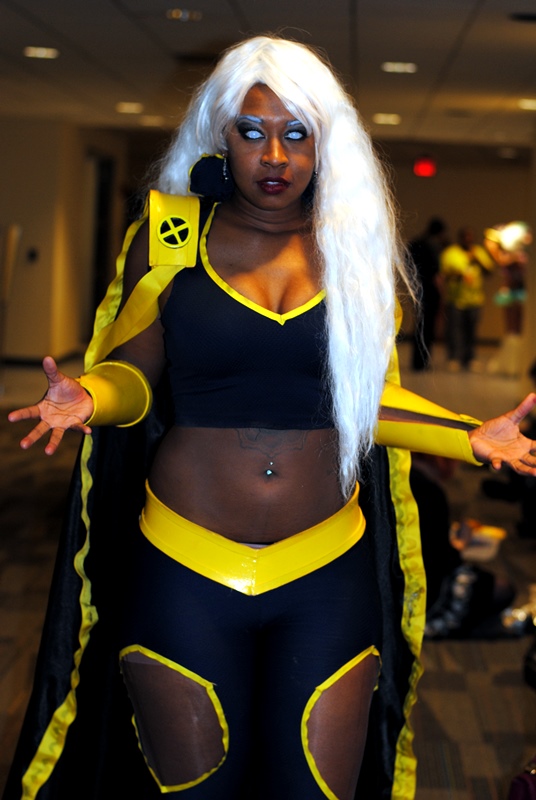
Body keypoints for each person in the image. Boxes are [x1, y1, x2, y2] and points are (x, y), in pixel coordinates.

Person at [5, 35, 536, 800]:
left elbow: (364, 402)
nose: (275, 155)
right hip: (184, 564)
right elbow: (136, 372)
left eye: (298, 133)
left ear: (326, 143)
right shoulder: (171, 233)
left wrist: (467, 435)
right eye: (253, 131)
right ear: (221, 133)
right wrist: (91, 396)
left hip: (325, 569)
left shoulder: (352, 248)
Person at [440, 226, 495, 372]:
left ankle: (469, 358)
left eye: (470, 237)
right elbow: (444, 274)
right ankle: (454, 358)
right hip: (456, 299)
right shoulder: (451, 253)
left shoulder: (478, 252)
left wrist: (477, 260)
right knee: (455, 331)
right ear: (460, 238)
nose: (468, 240)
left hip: (475, 300)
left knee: (471, 331)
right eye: (465, 237)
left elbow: (489, 271)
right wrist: (459, 276)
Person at [484, 221, 532, 377]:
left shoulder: (517, 255)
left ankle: (516, 364)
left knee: (518, 329)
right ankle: (512, 364)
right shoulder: (509, 256)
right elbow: (496, 252)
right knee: (512, 330)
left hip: (520, 292)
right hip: (513, 293)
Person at [408, 217, 449, 371]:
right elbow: (436, 275)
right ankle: (423, 361)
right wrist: (442, 294)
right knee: (428, 327)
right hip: (430, 291)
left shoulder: (416, 243)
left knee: (419, 325)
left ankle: (417, 361)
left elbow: (408, 266)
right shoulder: (433, 245)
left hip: (417, 289)